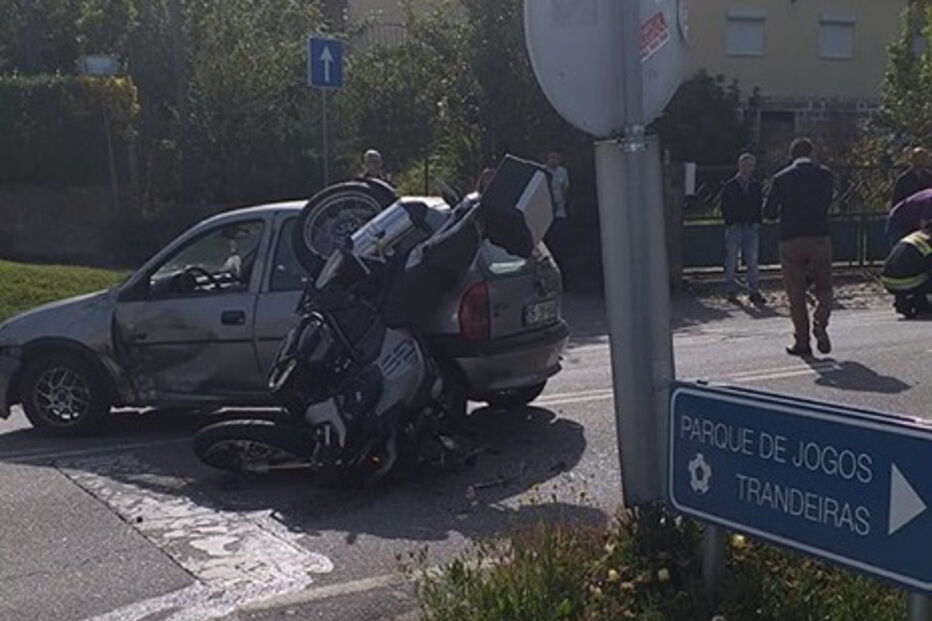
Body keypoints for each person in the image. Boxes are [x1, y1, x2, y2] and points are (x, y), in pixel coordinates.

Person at [764, 138, 835, 357]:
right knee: (824, 287)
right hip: (819, 237)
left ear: (792, 154)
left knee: (796, 293)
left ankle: (802, 341)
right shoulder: (825, 175)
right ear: (811, 153)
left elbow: (770, 212)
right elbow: (828, 202)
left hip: (791, 239)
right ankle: (820, 320)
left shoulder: (782, 178)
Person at [721, 153, 765, 304]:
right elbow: (724, 206)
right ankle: (730, 289)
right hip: (735, 225)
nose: (748, 169)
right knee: (731, 258)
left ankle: (753, 290)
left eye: (751, 166)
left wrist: (757, 221)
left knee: (752, 259)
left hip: (750, 225)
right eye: (746, 165)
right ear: (740, 166)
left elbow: (759, 204)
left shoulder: (755, 186)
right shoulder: (730, 186)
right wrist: (730, 222)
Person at [881, 218, 932, 318]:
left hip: (887, 281)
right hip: (907, 282)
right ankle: (921, 304)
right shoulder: (929, 241)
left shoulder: (916, 235)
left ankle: (904, 300)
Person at [544, 151, 571, 287]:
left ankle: (565, 281)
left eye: (556, 158)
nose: (554, 160)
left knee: (562, 248)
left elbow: (565, 190)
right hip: (546, 215)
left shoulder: (563, 172)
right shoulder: (543, 172)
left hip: (560, 214)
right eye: (551, 157)